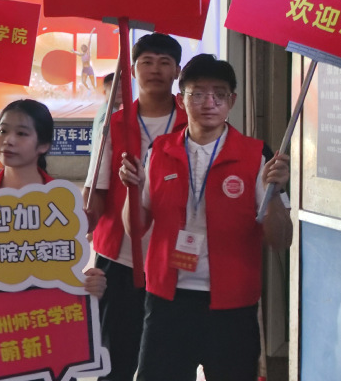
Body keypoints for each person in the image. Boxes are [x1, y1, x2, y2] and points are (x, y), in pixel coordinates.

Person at [119, 54, 292, 381]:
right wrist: (134, 188)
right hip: (167, 301)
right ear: (181, 100)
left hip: (232, 305)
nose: (209, 102)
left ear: (232, 101)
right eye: (197, 93)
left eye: (219, 94)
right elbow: (135, 228)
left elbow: (281, 240)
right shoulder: (159, 151)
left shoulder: (257, 155)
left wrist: (275, 193)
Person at [82, 33, 187, 381]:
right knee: (115, 359)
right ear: (132, 70)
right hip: (119, 257)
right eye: (147, 62)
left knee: (168, 361)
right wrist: (81, 224)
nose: (155, 69)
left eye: (164, 62)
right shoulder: (113, 124)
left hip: (174, 259)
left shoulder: (192, 123)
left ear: (177, 71)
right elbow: (96, 191)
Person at [0, 99, 107, 298]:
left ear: (43, 145)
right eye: (3, 130)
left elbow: (64, 269)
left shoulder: (63, 204)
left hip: (41, 309)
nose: (8, 140)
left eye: (21, 133)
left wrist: (87, 284)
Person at [84, 72, 123, 188]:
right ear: (105, 92)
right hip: (104, 174)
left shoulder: (110, 111)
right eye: (115, 88)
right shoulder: (107, 115)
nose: (120, 92)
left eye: (122, 87)